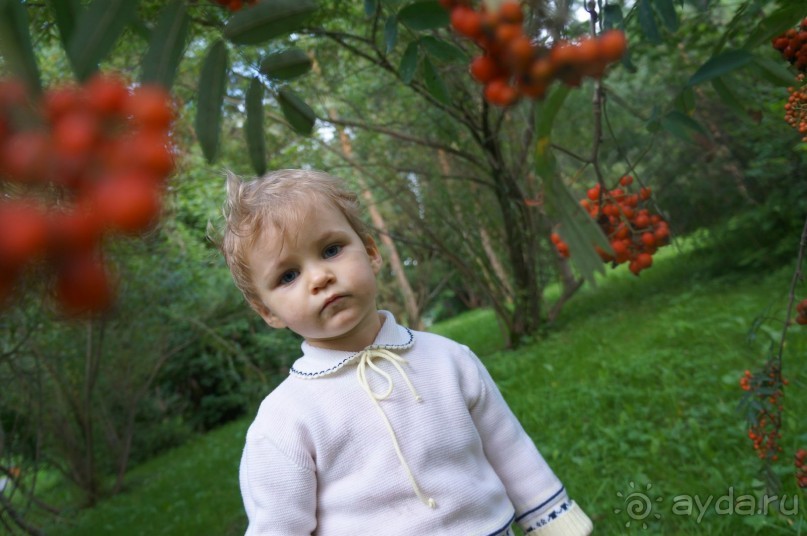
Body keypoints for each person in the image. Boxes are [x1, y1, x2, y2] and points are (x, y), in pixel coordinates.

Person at [218, 169, 593, 536]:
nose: (319, 278)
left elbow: (509, 449)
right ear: (267, 310)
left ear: (370, 252)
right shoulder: (285, 421)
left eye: (331, 250)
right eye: (288, 276)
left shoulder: (449, 359)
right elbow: (279, 526)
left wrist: (554, 520)